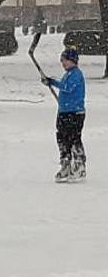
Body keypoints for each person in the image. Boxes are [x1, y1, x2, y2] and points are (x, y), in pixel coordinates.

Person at [42, 48, 86, 183]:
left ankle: (79, 165)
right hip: (63, 112)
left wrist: (53, 82)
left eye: (65, 60)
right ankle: (65, 164)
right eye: (61, 60)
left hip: (75, 113)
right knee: (62, 138)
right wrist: (50, 82)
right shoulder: (67, 74)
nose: (63, 63)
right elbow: (64, 86)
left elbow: (67, 87)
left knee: (73, 138)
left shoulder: (76, 74)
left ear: (73, 60)